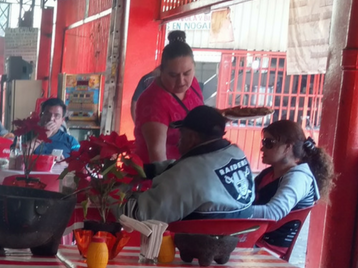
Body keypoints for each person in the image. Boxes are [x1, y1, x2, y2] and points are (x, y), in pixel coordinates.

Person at [124, 105, 254, 223]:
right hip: (237, 237)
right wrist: (149, 170)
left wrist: (112, 193)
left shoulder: (188, 175)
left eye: (181, 135)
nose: (178, 141)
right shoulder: (236, 153)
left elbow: (138, 214)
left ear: (192, 137)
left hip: (194, 242)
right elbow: (191, 167)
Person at [244, 119, 334, 250]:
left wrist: (231, 213)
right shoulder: (269, 173)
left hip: (267, 249)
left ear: (287, 147)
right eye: (264, 142)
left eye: (269, 143)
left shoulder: (299, 177)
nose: (262, 148)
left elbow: (273, 212)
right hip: (253, 238)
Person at [133, 31, 204, 164]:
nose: (181, 81)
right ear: (161, 71)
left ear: (194, 68)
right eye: (173, 75)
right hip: (165, 175)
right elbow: (157, 156)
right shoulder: (153, 102)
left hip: (191, 166)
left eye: (187, 73)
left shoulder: (192, 83)